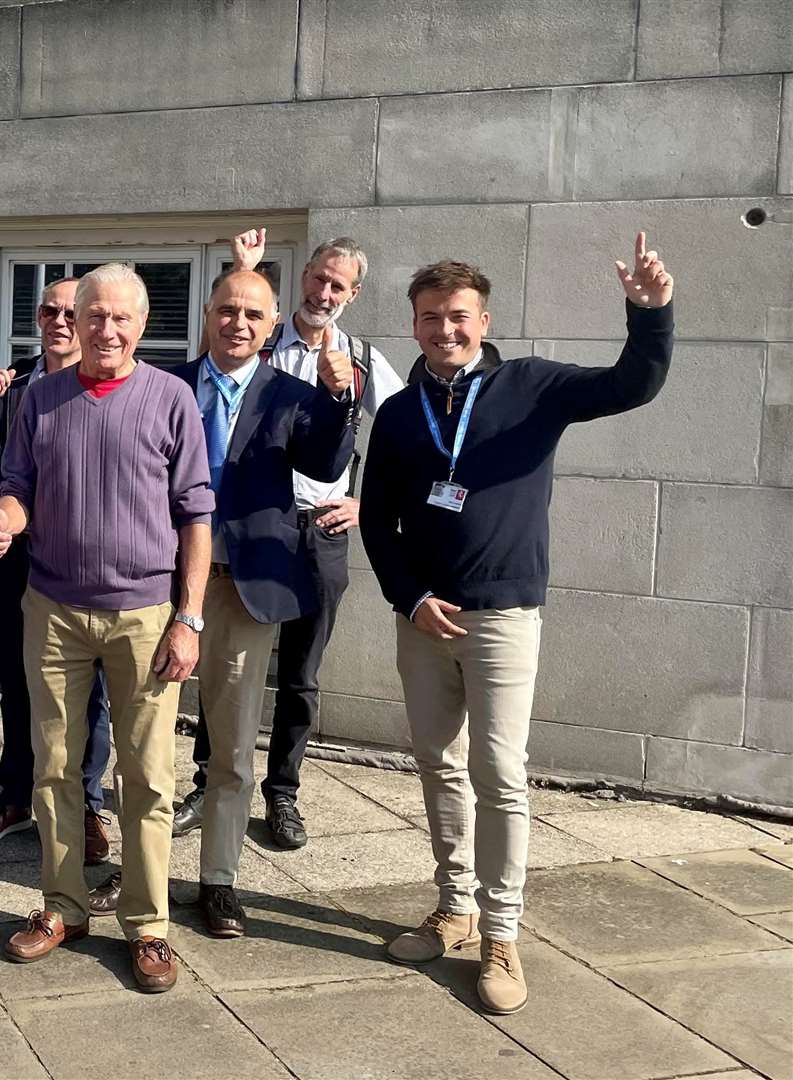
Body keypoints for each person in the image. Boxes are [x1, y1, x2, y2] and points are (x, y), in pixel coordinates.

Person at [360, 235, 674, 1016]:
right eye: (429, 318)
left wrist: (649, 313)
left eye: (457, 317)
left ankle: (501, 931)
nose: (444, 330)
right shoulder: (400, 413)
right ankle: (455, 906)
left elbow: (632, 384)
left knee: (499, 774)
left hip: (502, 615)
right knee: (437, 766)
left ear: (483, 319)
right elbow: (375, 520)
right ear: (414, 325)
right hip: (424, 618)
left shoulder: (531, 385)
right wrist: (406, 595)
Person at [0, 262, 216, 994]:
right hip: (51, 610)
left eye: (119, 317)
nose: (104, 329)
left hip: (144, 616)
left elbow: (195, 517)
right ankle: (62, 906)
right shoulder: (39, 400)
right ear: (70, 322)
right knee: (52, 769)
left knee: (146, 777)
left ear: (141, 325)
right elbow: (17, 489)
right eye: (92, 316)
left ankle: (146, 927)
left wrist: (189, 618)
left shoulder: (171, 398)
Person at [173, 235, 404, 851]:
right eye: (318, 279)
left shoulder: (358, 356)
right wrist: (244, 273)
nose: (323, 293)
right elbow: (210, 367)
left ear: (352, 295)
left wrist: (368, 503)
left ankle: (283, 792)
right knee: (222, 662)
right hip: (249, 530)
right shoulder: (261, 335)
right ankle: (207, 779)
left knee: (299, 672)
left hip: (318, 532)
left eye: (338, 286)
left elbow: (406, 434)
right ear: (302, 278)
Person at [164, 267, 355, 940]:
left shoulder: (291, 396)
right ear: (207, 314)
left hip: (243, 587)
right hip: (161, 584)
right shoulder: (166, 386)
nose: (237, 323)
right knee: (146, 742)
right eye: (227, 310)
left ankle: (218, 881)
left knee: (233, 748)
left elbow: (329, 463)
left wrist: (341, 399)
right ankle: (138, 871)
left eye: (252, 314)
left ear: (271, 326)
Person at [0, 277, 114, 867]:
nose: (58, 320)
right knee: (19, 680)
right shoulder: (12, 383)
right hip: (17, 560)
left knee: (91, 689)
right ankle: (15, 793)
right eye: (49, 309)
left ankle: (88, 801)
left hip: (82, 558)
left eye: (70, 312)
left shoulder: (106, 382)